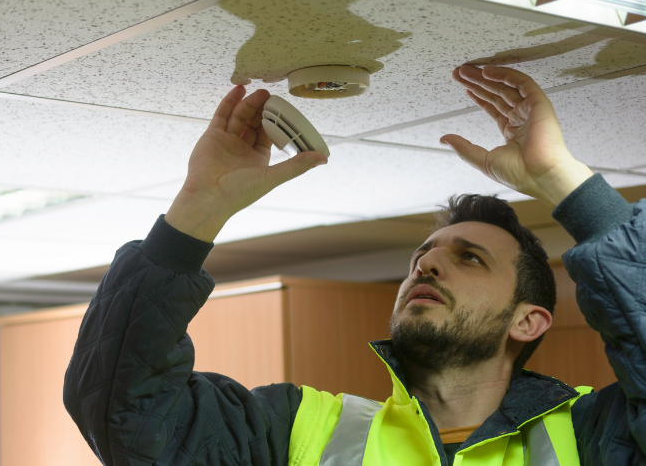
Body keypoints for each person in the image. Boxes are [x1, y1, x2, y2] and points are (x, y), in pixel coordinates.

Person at [62, 65, 645, 465]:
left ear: (529, 321)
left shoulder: (595, 435)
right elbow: (125, 414)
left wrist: (560, 181)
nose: (428, 267)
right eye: (423, 256)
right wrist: (196, 211)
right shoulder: (298, 429)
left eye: (469, 258)